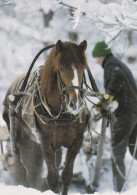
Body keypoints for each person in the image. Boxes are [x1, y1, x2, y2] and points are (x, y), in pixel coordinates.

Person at [92, 41, 137, 192]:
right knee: (134, 151)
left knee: (117, 153)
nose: (96, 61)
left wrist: (100, 106)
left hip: (124, 115)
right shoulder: (118, 64)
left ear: (102, 55)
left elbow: (113, 88)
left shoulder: (112, 66)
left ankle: (120, 190)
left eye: (96, 57)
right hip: (133, 113)